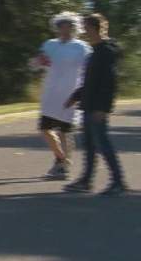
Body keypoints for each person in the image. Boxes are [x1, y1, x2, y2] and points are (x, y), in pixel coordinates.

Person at [64, 14, 127, 196]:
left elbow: (109, 82)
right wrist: (75, 96)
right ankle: (86, 180)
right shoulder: (95, 51)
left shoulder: (106, 51)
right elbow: (90, 81)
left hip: (97, 107)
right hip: (88, 104)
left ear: (95, 28)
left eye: (86, 27)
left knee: (103, 144)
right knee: (90, 145)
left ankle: (118, 181)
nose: (84, 31)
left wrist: (103, 108)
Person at [33, 12, 92, 180]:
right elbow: (37, 63)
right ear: (57, 28)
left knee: (65, 132)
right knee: (45, 129)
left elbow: (89, 68)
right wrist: (37, 62)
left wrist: (83, 92)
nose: (65, 29)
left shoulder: (82, 47)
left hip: (71, 93)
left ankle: (62, 168)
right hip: (50, 93)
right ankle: (62, 159)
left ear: (74, 28)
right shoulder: (49, 45)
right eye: (61, 26)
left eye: (69, 26)